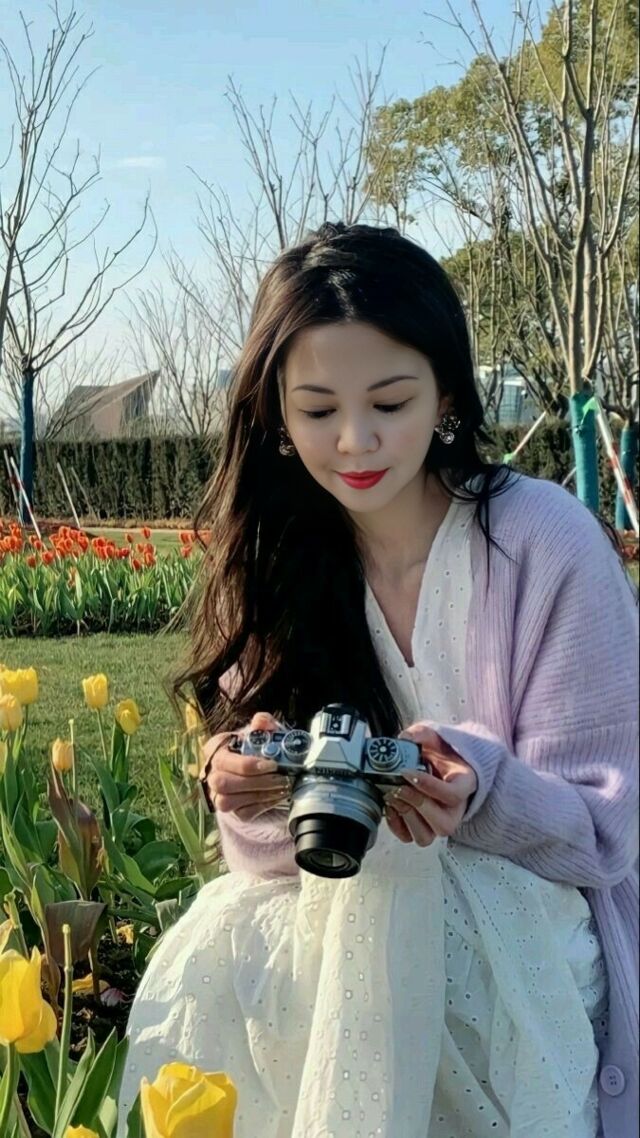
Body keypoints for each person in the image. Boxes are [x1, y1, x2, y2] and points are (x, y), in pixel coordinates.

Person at [118, 223, 638, 1138]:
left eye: (390, 403)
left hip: (534, 941)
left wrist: (477, 789)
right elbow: (281, 865)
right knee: (229, 933)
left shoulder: (545, 543)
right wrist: (253, 793)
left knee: (395, 911)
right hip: (345, 931)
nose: (356, 441)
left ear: (446, 395)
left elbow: (602, 836)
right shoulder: (276, 564)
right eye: (318, 411)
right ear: (276, 417)